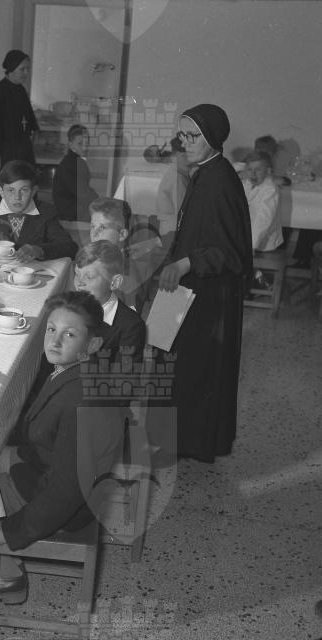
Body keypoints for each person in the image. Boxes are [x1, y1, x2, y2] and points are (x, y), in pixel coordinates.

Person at [0, 291, 123, 603]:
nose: (55, 342)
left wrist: (13, 530)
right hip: (44, 465)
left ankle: (9, 577)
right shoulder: (72, 372)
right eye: (51, 329)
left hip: (65, 505)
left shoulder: (81, 401)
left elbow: (67, 490)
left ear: (93, 345)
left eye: (69, 334)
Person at [158, 103, 252, 463]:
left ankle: (186, 443)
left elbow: (230, 252)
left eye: (193, 135)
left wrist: (184, 262)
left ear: (212, 137)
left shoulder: (220, 181)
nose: (185, 142)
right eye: (182, 135)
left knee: (193, 368)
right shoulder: (205, 172)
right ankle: (168, 437)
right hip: (187, 283)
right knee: (171, 356)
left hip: (207, 292)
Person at [0, 50, 39, 201]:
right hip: (4, 152)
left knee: (24, 189)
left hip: (22, 150)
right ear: (11, 69)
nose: (26, 73)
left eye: (28, 69)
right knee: (1, 193)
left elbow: (27, 120)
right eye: (22, 69)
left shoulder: (20, 90)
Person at [74, 241, 145, 362]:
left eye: (89, 276)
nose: (79, 282)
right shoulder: (69, 307)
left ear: (114, 283)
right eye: (77, 274)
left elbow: (124, 372)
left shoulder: (131, 328)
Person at [52, 124, 99, 221]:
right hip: (71, 214)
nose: (85, 148)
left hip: (71, 210)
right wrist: (101, 203)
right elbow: (83, 193)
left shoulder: (73, 160)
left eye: (87, 143)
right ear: (71, 145)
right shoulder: (72, 163)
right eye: (80, 144)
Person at [243, 151, 282, 254]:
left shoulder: (270, 190)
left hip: (263, 242)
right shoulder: (246, 184)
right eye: (249, 169)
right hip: (245, 236)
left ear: (268, 171)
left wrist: (252, 245)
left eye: (258, 170)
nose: (253, 174)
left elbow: (263, 218)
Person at [155, 135, 190, 243]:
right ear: (180, 155)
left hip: (171, 229)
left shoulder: (176, 172)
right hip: (173, 233)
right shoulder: (177, 178)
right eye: (187, 156)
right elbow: (183, 211)